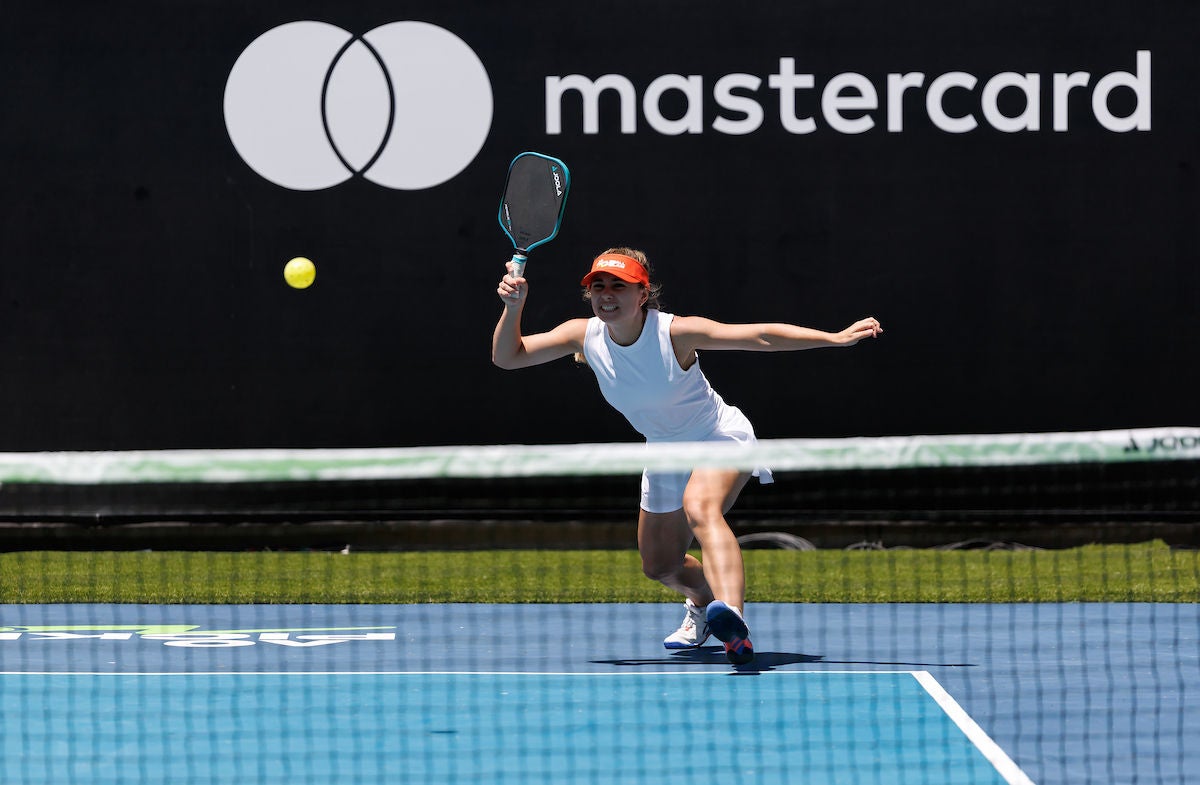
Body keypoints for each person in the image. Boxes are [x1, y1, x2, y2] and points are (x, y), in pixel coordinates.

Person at [492, 248, 882, 665]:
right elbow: (507, 356)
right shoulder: (580, 334)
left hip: (718, 436)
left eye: (618, 286)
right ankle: (703, 602)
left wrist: (834, 338)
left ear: (643, 294)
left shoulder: (674, 333)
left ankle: (733, 617)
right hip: (664, 451)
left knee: (701, 507)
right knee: (659, 565)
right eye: (598, 286)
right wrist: (512, 308)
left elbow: (759, 335)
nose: (606, 294)